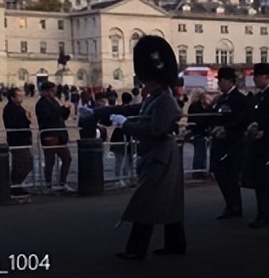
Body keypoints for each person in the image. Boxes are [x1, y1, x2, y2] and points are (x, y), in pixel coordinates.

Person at [86, 35, 186, 261]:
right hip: (158, 154)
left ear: (156, 80)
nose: (143, 84)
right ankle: (176, 244)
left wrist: (125, 124)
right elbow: (131, 109)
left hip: (162, 156)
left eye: (147, 80)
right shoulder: (157, 97)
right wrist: (96, 113)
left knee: (146, 202)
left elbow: (155, 129)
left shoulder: (165, 100)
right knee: (167, 202)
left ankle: (136, 249)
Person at [241, 63, 269, 228]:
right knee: (259, 180)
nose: (255, 79)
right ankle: (263, 213)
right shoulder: (258, 97)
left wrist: (265, 131)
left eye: (258, 76)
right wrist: (253, 124)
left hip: (268, 144)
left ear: (267, 78)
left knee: (267, 181)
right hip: (258, 143)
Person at [209, 66, 249, 220]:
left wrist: (227, 129)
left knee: (231, 176)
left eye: (221, 81)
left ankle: (235, 205)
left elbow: (241, 119)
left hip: (232, 143)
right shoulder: (221, 99)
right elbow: (215, 117)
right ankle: (230, 203)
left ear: (230, 81)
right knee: (220, 174)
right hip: (220, 142)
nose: (219, 84)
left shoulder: (238, 99)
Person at [35, 81, 73, 192]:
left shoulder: (54, 102)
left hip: (60, 134)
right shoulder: (41, 104)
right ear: (45, 92)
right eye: (52, 91)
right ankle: (48, 184)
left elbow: (61, 116)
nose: (54, 93)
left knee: (67, 158)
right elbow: (49, 117)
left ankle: (62, 182)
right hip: (49, 135)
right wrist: (62, 110)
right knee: (49, 161)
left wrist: (66, 109)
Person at [3, 87, 33, 196]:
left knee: (24, 163)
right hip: (17, 140)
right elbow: (12, 123)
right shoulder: (10, 109)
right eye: (19, 96)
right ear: (12, 97)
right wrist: (25, 118)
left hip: (22, 140)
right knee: (24, 163)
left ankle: (16, 185)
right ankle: (14, 185)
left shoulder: (18, 107)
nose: (21, 98)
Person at [186, 89, 212, 179]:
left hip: (197, 130)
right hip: (198, 131)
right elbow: (200, 118)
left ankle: (198, 170)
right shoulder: (197, 106)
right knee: (200, 152)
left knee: (200, 152)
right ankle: (198, 171)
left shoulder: (194, 106)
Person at [111, 93, 134, 179]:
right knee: (129, 158)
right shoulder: (132, 110)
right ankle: (126, 176)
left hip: (118, 134)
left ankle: (119, 178)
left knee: (119, 159)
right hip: (128, 133)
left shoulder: (118, 109)